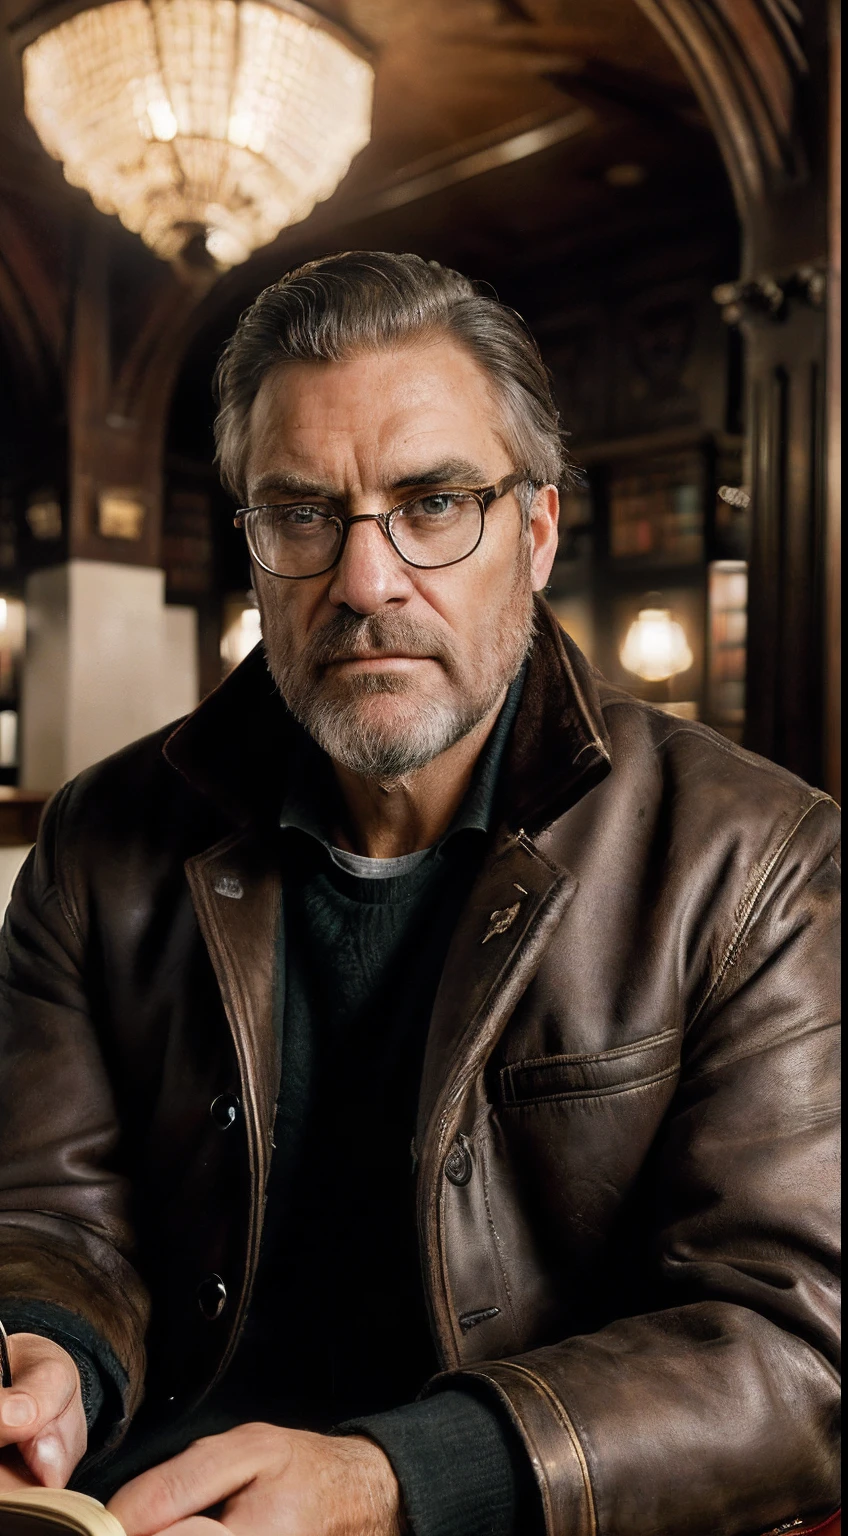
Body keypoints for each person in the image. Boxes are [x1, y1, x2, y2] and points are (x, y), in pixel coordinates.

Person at [0, 252, 839, 1536]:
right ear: (253, 547)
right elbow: (51, 1215)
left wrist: (398, 1480)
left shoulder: (754, 857)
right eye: (301, 513)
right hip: (149, 1503)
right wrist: (47, 1353)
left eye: (434, 502)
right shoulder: (96, 840)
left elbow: (797, 1350)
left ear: (538, 532)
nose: (366, 580)